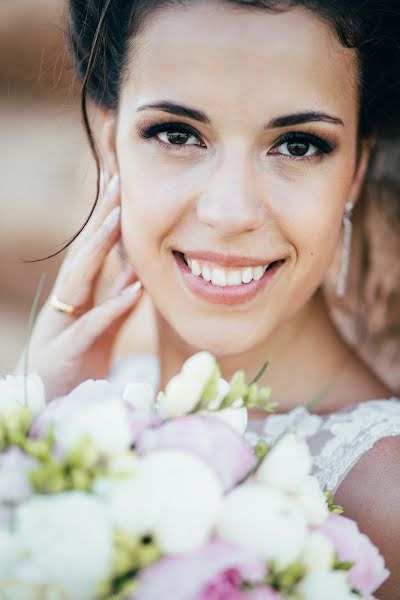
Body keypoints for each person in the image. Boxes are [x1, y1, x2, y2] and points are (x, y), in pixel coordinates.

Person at [17, 1, 400, 596]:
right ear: (107, 136)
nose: (230, 212)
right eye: (177, 134)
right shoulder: (83, 397)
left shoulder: (385, 497)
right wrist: (36, 426)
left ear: (356, 169)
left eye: (298, 145)